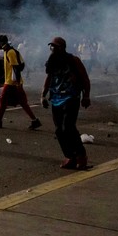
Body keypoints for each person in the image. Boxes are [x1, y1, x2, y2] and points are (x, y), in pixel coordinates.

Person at [41, 37, 91, 169]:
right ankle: (70, 156)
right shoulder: (52, 61)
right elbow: (49, 77)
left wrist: (86, 96)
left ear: (62, 48)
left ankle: (81, 157)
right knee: (59, 131)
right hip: (56, 98)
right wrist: (43, 95)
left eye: (55, 46)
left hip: (71, 97)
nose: (52, 49)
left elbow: (85, 78)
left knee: (68, 127)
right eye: (51, 46)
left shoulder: (73, 60)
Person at [0, 35, 41, 130]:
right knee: (22, 102)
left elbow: (16, 68)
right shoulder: (7, 51)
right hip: (12, 81)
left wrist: (17, 83)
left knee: (3, 101)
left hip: (12, 82)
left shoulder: (10, 52)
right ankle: (35, 120)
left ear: (2, 42)